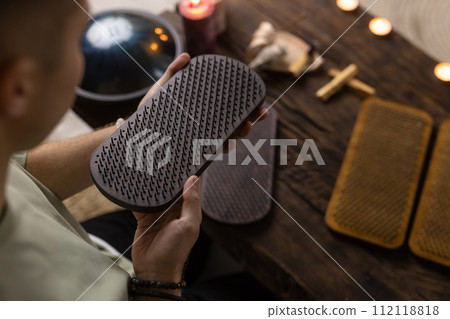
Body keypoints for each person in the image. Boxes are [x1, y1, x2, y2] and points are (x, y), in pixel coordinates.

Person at [0, 0, 267, 300]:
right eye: (75, 41)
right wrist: (159, 280)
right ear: (19, 88)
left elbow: (23, 175)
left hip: (86, 245)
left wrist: (135, 129)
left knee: (196, 217)